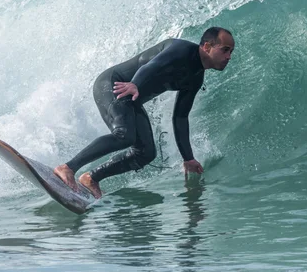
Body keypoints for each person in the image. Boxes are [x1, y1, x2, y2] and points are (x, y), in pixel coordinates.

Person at [53, 27, 235, 199]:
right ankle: (68, 167)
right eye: (225, 50)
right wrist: (136, 84)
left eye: (231, 52)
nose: (228, 57)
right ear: (207, 46)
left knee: (146, 153)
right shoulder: (182, 50)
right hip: (115, 85)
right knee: (124, 135)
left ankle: (92, 178)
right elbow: (152, 66)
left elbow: (180, 117)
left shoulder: (196, 77)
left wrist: (188, 158)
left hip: (131, 98)